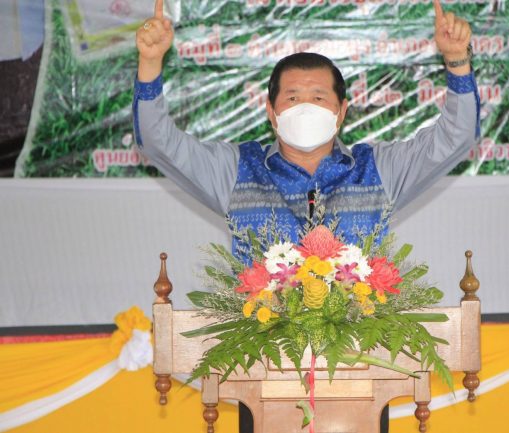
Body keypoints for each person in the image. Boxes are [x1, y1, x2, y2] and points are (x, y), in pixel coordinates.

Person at [134, 0, 477, 431]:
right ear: (272, 112)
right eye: (293, 98)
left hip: (363, 372)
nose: (305, 108)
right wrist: (150, 64)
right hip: (261, 374)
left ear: (341, 111)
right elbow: (158, 143)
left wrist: (457, 62)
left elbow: (456, 137)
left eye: (318, 98)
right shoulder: (236, 169)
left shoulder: (378, 170)